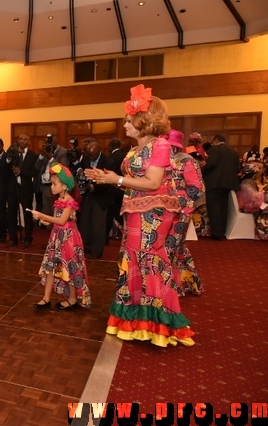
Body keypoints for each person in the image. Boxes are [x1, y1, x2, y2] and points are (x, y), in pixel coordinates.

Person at [85, 84, 194, 347]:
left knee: (149, 262)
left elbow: (153, 182)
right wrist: (109, 179)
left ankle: (155, 324)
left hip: (153, 215)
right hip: (136, 211)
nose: (125, 123)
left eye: (129, 118)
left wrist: (118, 179)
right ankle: (135, 319)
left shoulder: (160, 146)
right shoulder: (137, 149)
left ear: (143, 120)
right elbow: (134, 182)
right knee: (133, 261)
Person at [30, 163, 91, 310]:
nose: (51, 186)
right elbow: (56, 219)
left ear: (64, 186)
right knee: (51, 267)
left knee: (69, 268)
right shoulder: (59, 201)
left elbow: (62, 221)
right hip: (56, 236)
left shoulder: (70, 202)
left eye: (54, 184)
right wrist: (47, 220)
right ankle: (46, 298)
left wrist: (42, 215)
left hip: (68, 239)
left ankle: (72, 298)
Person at [166, 129, 205, 296]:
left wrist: (179, 203)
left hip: (181, 212)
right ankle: (187, 281)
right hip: (163, 211)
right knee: (176, 247)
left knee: (170, 247)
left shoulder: (187, 162)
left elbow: (198, 188)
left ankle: (174, 287)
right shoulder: (163, 161)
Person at [78, 140, 113, 259]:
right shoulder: (86, 158)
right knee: (85, 223)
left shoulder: (108, 162)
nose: (91, 158)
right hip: (87, 196)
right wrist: (80, 172)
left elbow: (109, 183)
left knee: (97, 225)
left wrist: (92, 187)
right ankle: (86, 246)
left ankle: (97, 251)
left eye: (93, 155)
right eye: (89, 155)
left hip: (101, 197)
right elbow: (80, 167)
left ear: (99, 151)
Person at [201, 134, 240, 240]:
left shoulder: (215, 149)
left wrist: (200, 170)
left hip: (215, 183)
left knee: (214, 208)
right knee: (223, 208)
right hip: (229, 184)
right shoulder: (233, 152)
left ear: (216, 141)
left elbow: (211, 163)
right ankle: (222, 232)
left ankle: (216, 233)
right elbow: (237, 169)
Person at [6, 133, 37, 247]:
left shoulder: (33, 156)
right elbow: (6, 168)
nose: (22, 141)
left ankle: (28, 238)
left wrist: (20, 171)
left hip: (26, 188)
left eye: (25, 139)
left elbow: (33, 172)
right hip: (13, 188)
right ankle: (13, 238)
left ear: (28, 142)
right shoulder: (13, 154)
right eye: (20, 138)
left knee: (27, 213)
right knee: (11, 213)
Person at [106, 137, 127, 241]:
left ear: (110, 147)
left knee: (111, 214)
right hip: (126, 189)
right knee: (123, 214)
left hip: (113, 190)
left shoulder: (110, 158)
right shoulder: (126, 156)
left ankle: (107, 236)